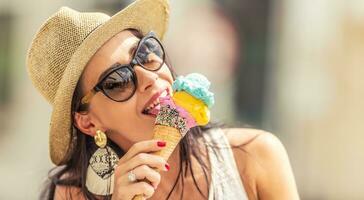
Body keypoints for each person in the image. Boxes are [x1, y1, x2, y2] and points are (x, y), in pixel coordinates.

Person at [26, 0, 299, 199]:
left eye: (145, 53)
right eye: (117, 81)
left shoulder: (253, 158)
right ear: (88, 122)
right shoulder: (72, 194)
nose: (148, 77)